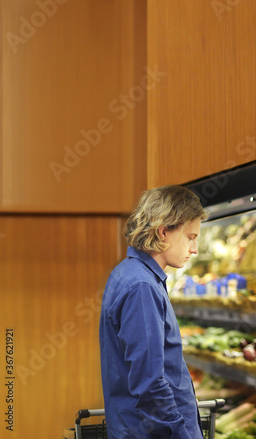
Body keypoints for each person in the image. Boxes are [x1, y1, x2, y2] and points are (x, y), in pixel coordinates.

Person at [99, 185, 208, 439]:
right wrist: (182, 434)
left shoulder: (132, 274)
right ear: (163, 232)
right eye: (191, 237)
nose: (195, 249)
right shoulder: (142, 287)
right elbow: (150, 384)